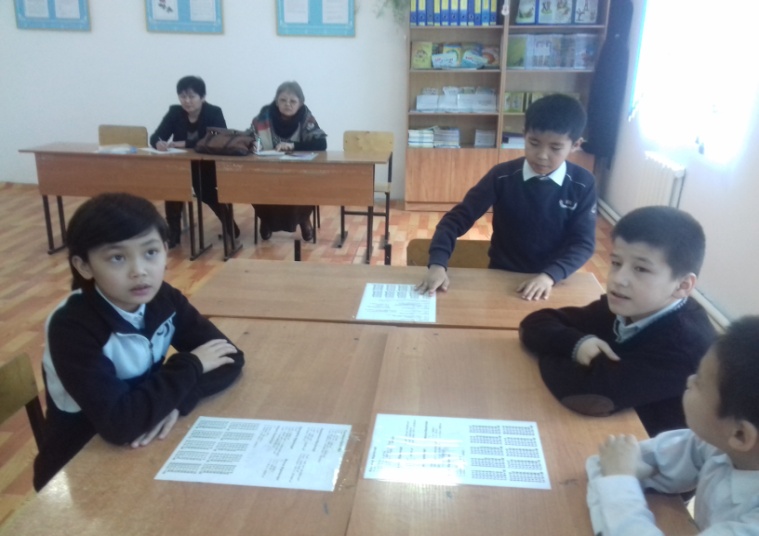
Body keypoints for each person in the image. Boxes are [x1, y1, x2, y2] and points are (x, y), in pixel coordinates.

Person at [32, 193, 245, 491]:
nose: (139, 271)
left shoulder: (163, 298)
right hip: (80, 466)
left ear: (165, 251)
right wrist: (192, 364)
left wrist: (179, 401)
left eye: (150, 252)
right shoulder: (72, 327)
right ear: (84, 266)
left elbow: (230, 357)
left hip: (145, 447)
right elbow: (119, 424)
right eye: (117, 258)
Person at [520, 206, 717, 437]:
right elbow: (534, 323)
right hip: (619, 427)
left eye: (641, 269)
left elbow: (586, 396)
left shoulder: (683, 347)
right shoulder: (626, 305)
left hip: (652, 447)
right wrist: (578, 345)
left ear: (683, 285)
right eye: (616, 263)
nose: (618, 279)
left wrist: (553, 348)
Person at [586, 316, 759, 534]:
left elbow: (612, 474)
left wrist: (619, 482)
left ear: (741, 434)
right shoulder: (719, 444)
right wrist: (623, 474)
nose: (689, 380)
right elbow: (606, 462)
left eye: (699, 382)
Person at [416, 93, 597, 301]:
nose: (542, 155)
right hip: (500, 276)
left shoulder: (583, 184)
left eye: (555, 147)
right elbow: (455, 220)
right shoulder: (502, 176)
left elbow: (583, 243)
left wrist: (549, 276)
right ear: (524, 134)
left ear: (575, 145)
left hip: (553, 282)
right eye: (534, 143)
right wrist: (438, 264)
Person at [150, 75, 239, 248]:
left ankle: (230, 225)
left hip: (207, 166)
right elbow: (156, 137)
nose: (187, 101)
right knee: (173, 190)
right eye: (183, 96)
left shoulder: (213, 112)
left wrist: (184, 143)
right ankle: (173, 233)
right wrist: (158, 143)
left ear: (202, 97)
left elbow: (218, 140)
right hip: (181, 166)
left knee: (206, 192)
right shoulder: (174, 113)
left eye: (191, 96)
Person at [248, 81, 327, 241]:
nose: (287, 104)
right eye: (283, 100)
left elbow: (321, 143)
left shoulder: (306, 117)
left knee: (308, 185)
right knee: (251, 184)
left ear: (300, 103)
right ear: (277, 101)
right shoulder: (264, 116)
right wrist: (254, 144)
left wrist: (293, 146)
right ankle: (266, 219)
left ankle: (303, 219)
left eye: (293, 101)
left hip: (298, 173)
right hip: (268, 171)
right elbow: (251, 137)